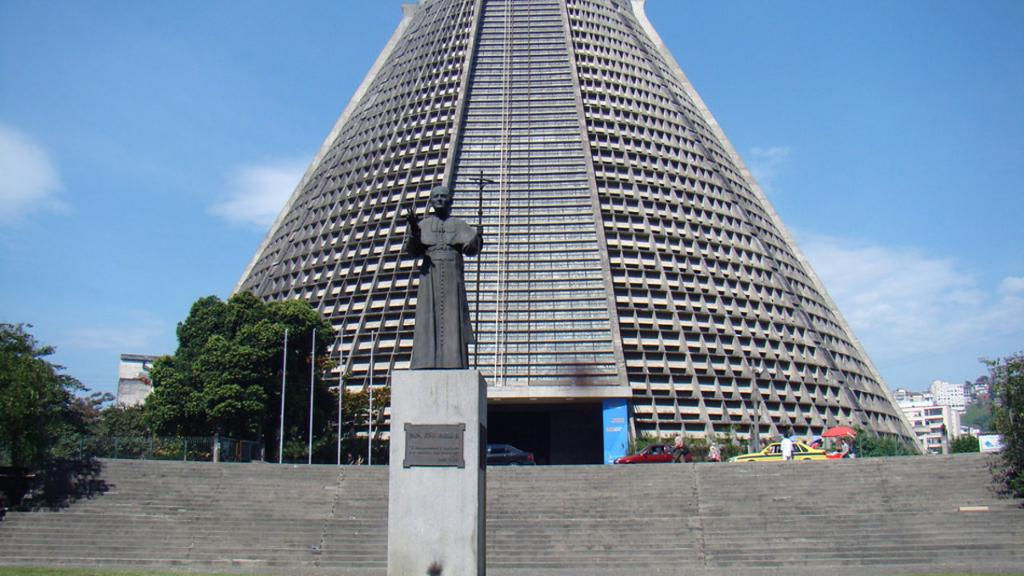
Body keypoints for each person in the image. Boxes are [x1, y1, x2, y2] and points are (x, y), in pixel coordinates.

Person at [404, 185, 483, 369]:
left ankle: (454, 361)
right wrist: (415, 230)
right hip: (429, 274)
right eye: (436, 196)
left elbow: (470, 250)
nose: (439, 199)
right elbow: (414, 251)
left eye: (443, 196)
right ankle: (425, 361)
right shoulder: (423, 225)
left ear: (450, 201)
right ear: (431, 201)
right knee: (427, 315)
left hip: (451, 274)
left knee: (452, 317)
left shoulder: (459, 225)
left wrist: (477, 237)